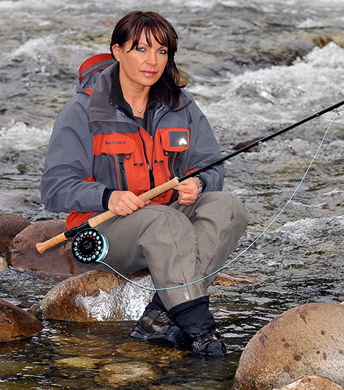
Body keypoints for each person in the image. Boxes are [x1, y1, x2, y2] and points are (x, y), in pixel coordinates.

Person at [41, 11, 248, 357]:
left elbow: (212, 167)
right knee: (165, 221)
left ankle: (160, 318)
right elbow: (54, 188)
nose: (153, 61)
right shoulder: (82, 110)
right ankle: (202, 334)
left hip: (168, 221)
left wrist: (198, 182)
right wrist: (106, 196)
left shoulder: (181, 105)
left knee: (228, 208)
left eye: (162, 52)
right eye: (141, 49)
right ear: (118, 51)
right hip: (105, 233)